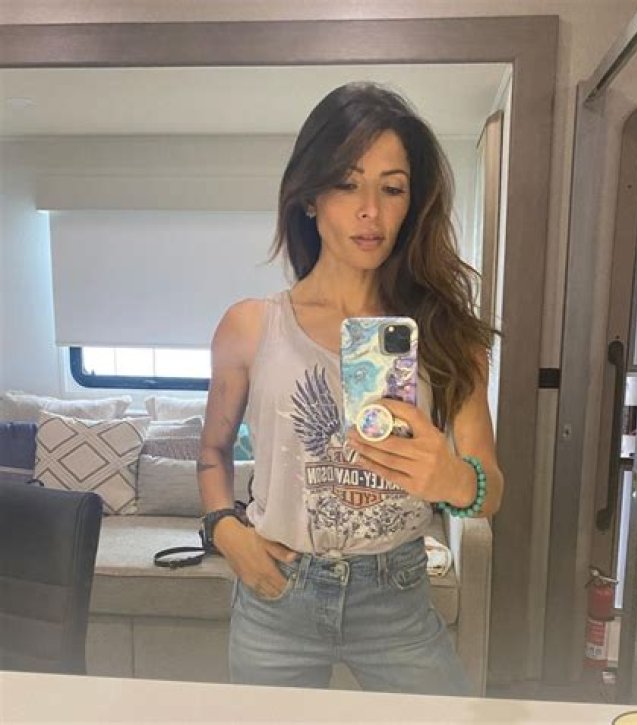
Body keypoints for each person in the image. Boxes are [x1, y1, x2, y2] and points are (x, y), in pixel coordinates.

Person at [197, 81, 504, 696]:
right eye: (347, 184)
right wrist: (225, 531)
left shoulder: (446, 334)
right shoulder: (249, 326)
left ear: (412, 203)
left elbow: (490, 489)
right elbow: (213, 452)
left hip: (396, 597)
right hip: (277, 591)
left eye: (392, 188)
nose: (371, 211)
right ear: (310, 197)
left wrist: (453, 480)